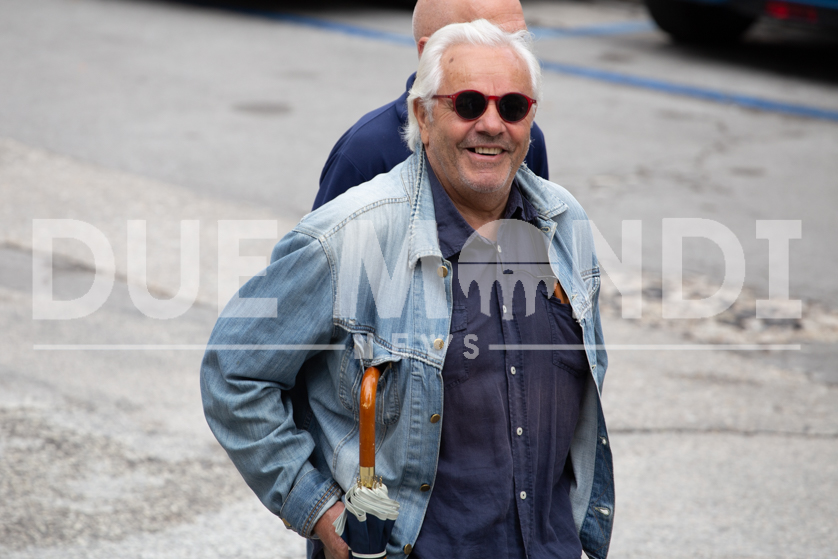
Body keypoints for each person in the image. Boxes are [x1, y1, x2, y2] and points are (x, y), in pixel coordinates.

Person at [201, 20, 613, 559]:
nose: (492, 124)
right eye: (468, 104)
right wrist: (318, 509)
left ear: (530, 120)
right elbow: (234, 370)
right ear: (422, 115)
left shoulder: (564, 222)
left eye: (512, 107)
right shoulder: (350, 235)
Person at [312, 0, 549, 210]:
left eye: (521, 41)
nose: (493, 126)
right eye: (486, 38)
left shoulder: (523, 137)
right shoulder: (365, 152)